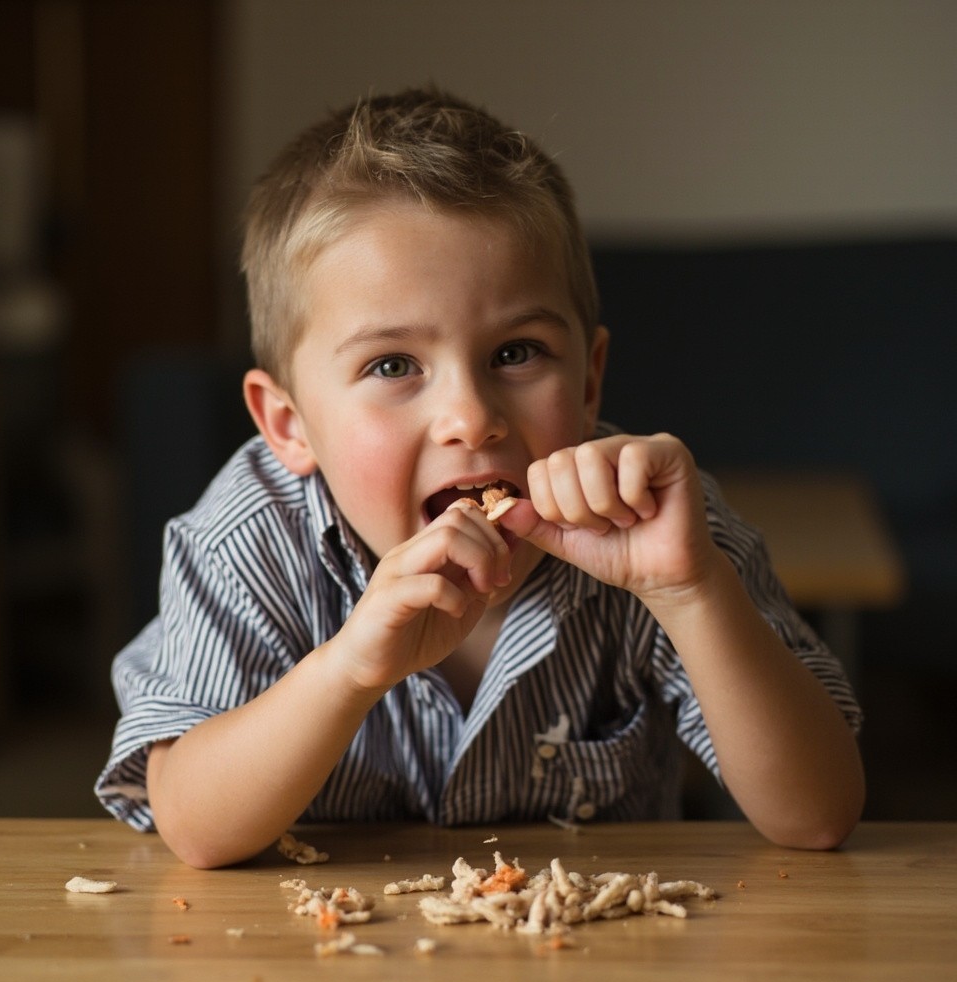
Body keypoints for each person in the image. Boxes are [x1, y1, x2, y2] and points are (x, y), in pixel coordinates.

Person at [96, 87, 864, 868]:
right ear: (289, 425)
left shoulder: (662, 527)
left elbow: (818, 815)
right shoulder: (245, 543)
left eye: (516, 352)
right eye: (393, 365)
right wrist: (350, 669)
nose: (472, 416)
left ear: (590, 380)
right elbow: (192, 826)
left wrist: (692, 593)